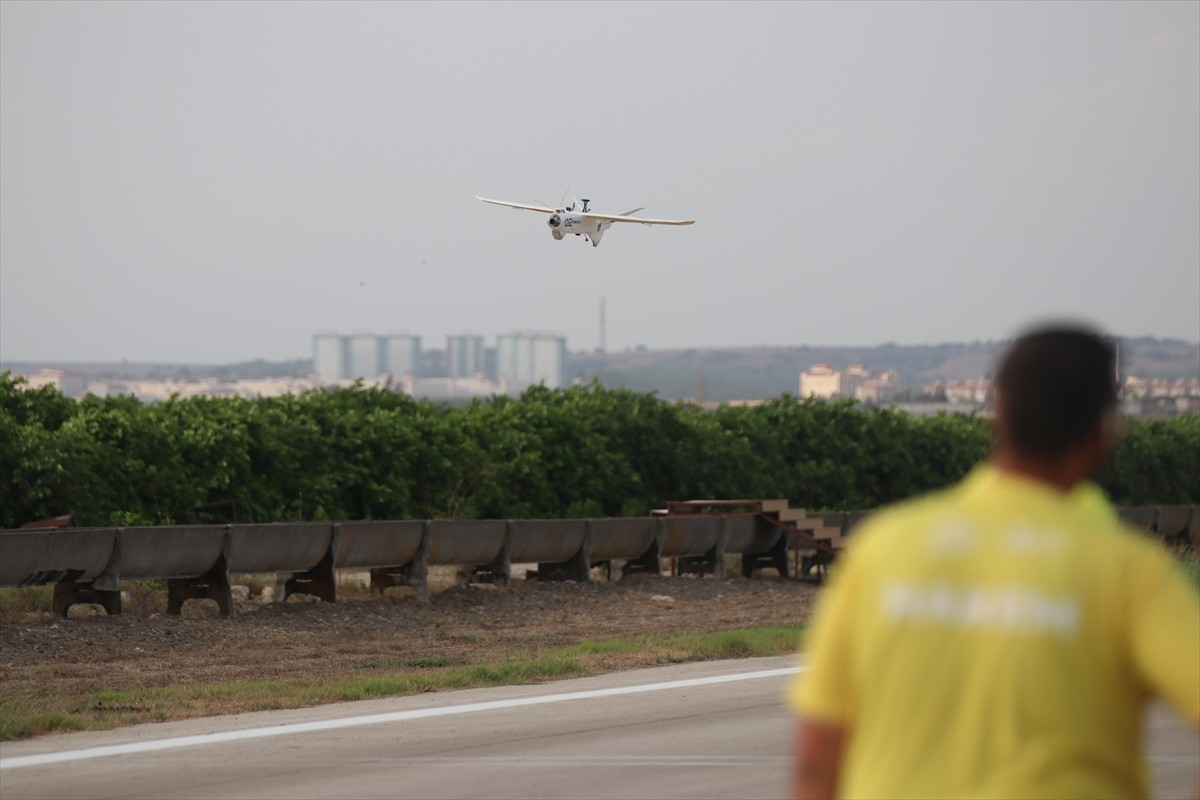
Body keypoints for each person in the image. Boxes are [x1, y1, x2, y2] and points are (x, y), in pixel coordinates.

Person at [788, 325, 1200, 800]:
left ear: (997, 411)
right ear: (1104, 431)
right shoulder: (1128, 570)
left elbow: (818, 756)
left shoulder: (882, 548)